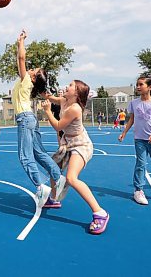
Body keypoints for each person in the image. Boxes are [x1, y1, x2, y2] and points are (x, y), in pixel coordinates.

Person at [42, 80, 109, 234]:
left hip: (80, 144)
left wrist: (47, 111)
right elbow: (49, 97)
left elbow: (58, 126)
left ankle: (100, 213)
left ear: (77, 93)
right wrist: (37, 84)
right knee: (53, 168)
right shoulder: (64, 100)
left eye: (71, 85)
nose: (67, 86)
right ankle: (54, 199)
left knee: (71, 178)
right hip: (68, 142)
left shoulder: (75, 108)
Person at [12, 29, 66, 208]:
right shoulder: (28, 82)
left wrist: (21, 41)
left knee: (25, 156)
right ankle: (58, 178)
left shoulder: (26, 78)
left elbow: (21, 58)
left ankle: (40, 186)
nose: (30, 68)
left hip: (25, 119)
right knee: (39, 153)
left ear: (33, 77)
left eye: (33, 70)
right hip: (31, 119)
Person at [119, 76, 151, 205]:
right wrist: (124, 132)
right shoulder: (134, 103)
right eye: (137, 84)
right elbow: (132, 119)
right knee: (140, 165)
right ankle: (138, 191)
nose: (138, 87)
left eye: (141, 84)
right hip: (139, 140)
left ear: (149, 87)